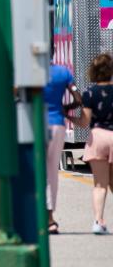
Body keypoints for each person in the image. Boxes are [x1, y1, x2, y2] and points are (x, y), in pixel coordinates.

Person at [71, 53, 113, 235]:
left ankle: (98, 221)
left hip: (97, 137)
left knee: (100, 184)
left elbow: (84, 122)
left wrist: (68, 116)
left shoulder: (89, 93)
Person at [42, 59, 80, 233]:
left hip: (35, 124)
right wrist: (64, 108)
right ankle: (50, 219)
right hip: (57, 124)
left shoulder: (29, 71)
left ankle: (34, 216)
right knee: (52, 172)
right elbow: (78, 99)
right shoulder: (63, 72)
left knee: (35, 170)